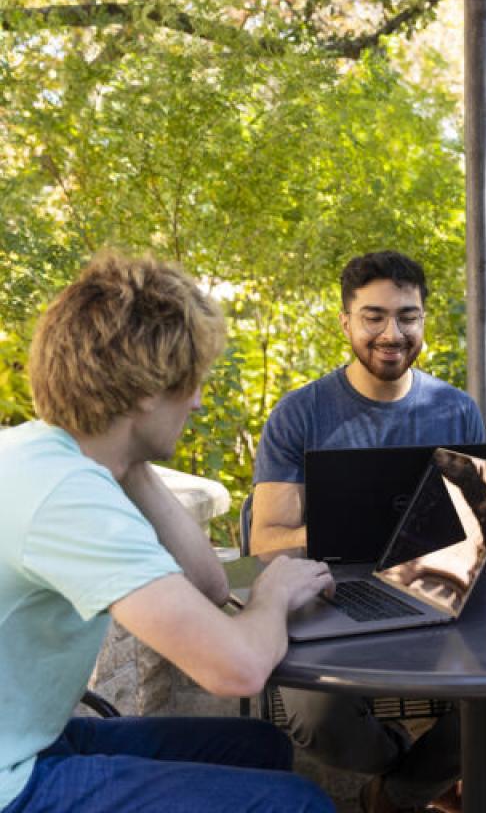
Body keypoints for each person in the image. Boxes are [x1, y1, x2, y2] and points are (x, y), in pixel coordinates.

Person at [0, 251, 335, 813]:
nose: (200, 400)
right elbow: (238, 669)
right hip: (12, 783)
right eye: (191, 380)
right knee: (299, 805)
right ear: (143, 392)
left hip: (29, 740)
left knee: (256, 747)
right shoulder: (66, 495)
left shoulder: (61, 458)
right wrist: (273, 593)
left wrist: (133, 460)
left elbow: (207, 587)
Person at [251, 250, 485, 813]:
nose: (392, 333)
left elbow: (476, 534)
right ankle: (410, 775)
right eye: (374, 316)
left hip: (434, 595)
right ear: (346, 323)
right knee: (315, 717)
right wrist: (354, 529)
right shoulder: (300, 414)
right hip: (328, 593)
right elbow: (265, 539)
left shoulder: (457, 412)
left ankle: (390, 799)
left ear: (424, 319)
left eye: (408, 316)